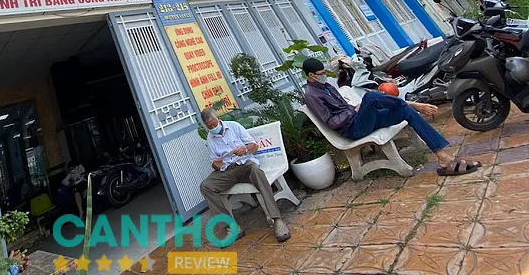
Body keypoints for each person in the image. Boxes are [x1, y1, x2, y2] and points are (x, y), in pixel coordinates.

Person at [302, 57, 482, 176]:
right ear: (311, 76)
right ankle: (413, 104)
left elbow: (343, 107)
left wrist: (354, 108)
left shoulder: (327, 87)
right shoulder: (312, 95)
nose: (325, 76)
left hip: (358, 119)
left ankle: (442, 156)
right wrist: (354, 111)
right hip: (352, 129)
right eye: (321, 74)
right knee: (371, 97)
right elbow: (331, 122)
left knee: (405, 112)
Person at [199, 107, 291, 243]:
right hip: (227, 171)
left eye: (214, 124)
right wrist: (216, 164)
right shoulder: (211, 138)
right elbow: (215, 161)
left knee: (257, 173)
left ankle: (277, 219)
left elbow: (254, 145)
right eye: (209, 127)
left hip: (245, 166)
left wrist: (245, 149)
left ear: (218, 118)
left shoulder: (234, 126)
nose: (213, 128)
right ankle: (232, 226)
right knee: (206, 186)